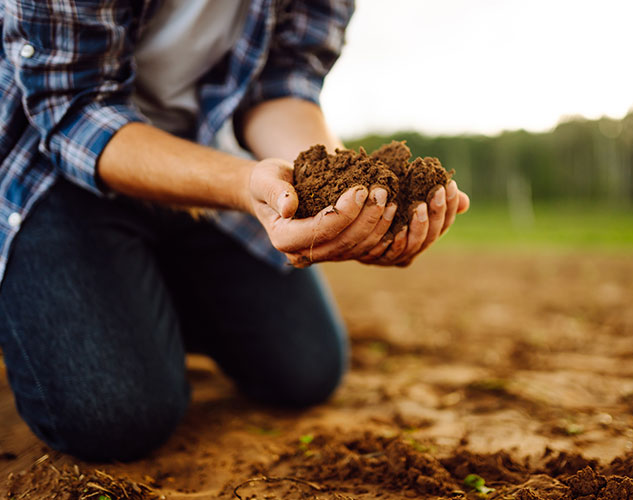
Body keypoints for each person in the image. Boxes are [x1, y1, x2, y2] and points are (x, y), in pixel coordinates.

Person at [0, 0, 469, 462]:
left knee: (303, 370)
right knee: (115, 415)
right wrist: (244, 185)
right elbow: (75, 108)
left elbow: (281, 85)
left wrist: (342, 189)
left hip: (204, 154)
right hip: (53, 168)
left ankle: (133, 294)